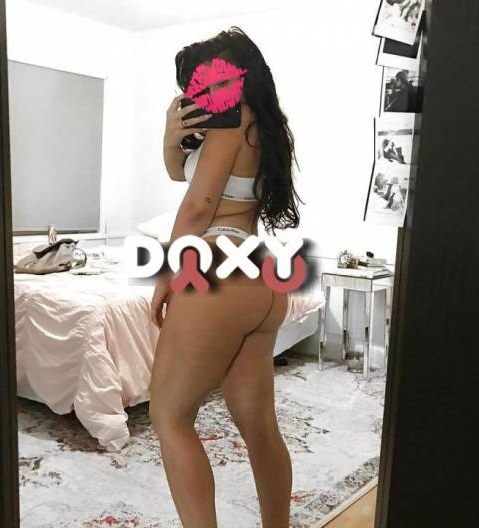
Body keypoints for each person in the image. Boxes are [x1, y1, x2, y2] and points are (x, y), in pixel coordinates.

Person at [149, 26, 302, 528]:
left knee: (169, 417)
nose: (204, 89)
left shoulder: (229, 117)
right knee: (259, 425)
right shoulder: (265, 125)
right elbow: (182, 174)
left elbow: (199, 204)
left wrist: (171, 270)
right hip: (260, 273)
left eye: (212, 77)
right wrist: (172, 138)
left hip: (217, 267)